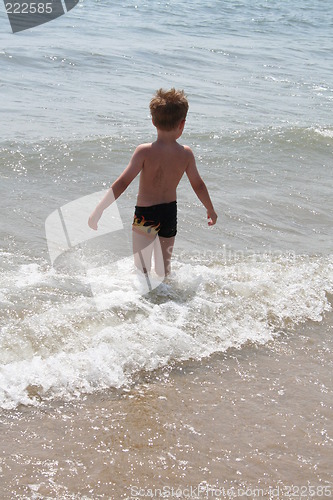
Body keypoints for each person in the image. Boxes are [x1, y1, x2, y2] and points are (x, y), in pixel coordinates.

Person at [88, 88, 217, 277]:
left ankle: (147, 302)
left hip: (146, 215)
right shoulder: (186, 154)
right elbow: (198, 185)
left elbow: (122, 183)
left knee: (142, 269)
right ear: (182, 124)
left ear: (153, 121)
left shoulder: (144, 151)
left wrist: (99, 210)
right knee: (164, 268)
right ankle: (167, 299)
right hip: (169, 213)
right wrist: (210, 209)